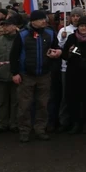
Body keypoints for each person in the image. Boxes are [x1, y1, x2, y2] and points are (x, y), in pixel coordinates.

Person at [9, 10, 61, 142]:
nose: (44, 21)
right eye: (40, 19)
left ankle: (40, 129)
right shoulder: (22, 34)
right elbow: (14, 54)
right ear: (33, 21)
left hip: (44, 74)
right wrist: (15, 73)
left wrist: (57, 53)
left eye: (44, 19)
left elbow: (56, 47)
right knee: (24, 105)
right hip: (26, 75)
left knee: (43, 104)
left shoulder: (50, 33)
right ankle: (24, 131)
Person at [62, 16, 86, 134]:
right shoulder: (72, 37)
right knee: (73, 99)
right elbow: (64, 54)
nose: (83, 28)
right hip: (74, 72)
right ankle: (75, 123)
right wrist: (69, 52)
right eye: (81, 26)